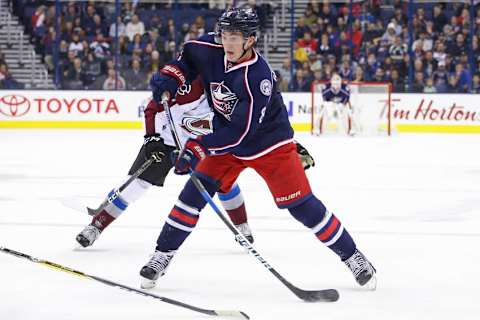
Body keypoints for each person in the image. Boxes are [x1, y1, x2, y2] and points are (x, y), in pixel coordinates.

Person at [141, 7, 376, 290]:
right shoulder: (205, 47)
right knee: (192, 196)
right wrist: (170, 78)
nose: (227, 42)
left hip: (269, 144)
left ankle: (353, 257)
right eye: (224, 34)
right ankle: (161, 255)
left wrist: (197, 148)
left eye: (235, 36)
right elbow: (186, 61)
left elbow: (241, 133)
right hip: (226, 141)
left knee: (301, 206)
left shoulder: (258, 78)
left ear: (250, 40)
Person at [76, 76, 315, 248]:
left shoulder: (221, 83)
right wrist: (152, 139)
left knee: (225, 183)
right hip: (167, 142)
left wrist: (291, 145)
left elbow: (251, 120)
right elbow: (151, 109)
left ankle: (242, 227)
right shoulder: (182, 82)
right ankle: (96, 226)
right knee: (136, 184)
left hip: (201, 144)